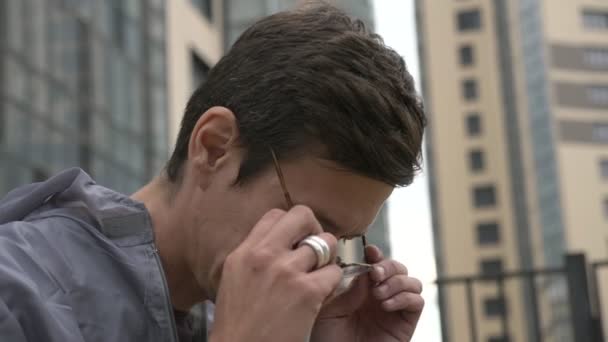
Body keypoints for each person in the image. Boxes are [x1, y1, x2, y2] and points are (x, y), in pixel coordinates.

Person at [0, 3, 426, 342]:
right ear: (214, 146)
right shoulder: (17, 292)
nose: (321, 271)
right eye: (311, 230)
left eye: (340, 245)